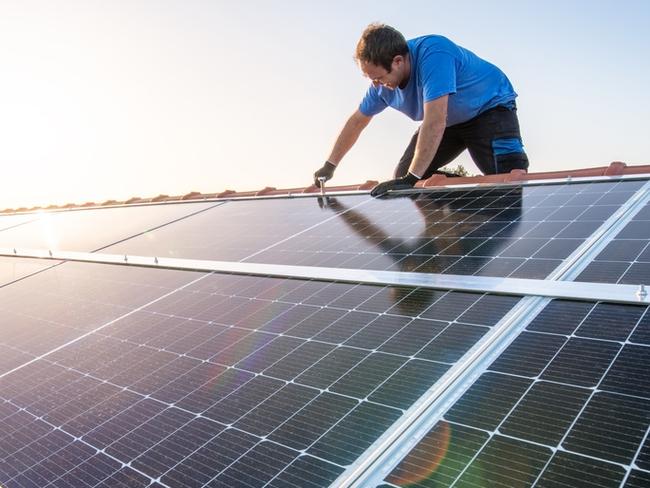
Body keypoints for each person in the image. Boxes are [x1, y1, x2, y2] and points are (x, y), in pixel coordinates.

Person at [313, 23, 529, 197]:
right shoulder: (380, 87)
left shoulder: (434, 54)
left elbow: (435, 120)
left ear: (398, 61)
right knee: (404, 176)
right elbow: (357, 121)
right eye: (371, 79)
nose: (377, 85)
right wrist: (329, 165)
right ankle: (468, 209)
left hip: (488, 108)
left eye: (379, 77)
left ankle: (495, 194)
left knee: (509, 180)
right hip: (449, 123)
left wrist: (412, 178)